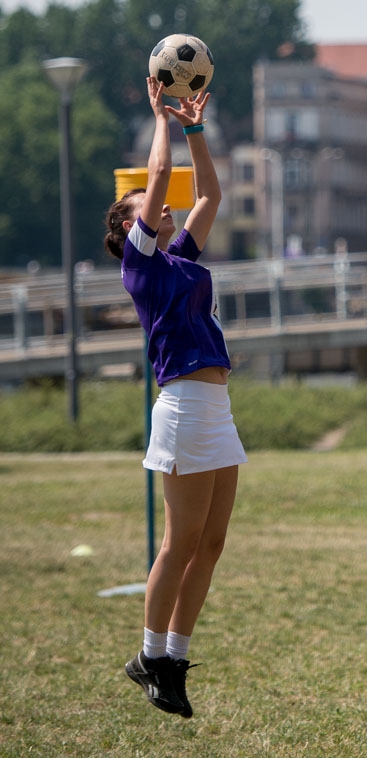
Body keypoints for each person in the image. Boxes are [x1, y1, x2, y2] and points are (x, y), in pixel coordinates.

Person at [103, 77, 247, 719]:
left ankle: (172, 659)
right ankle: (149, 652)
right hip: (185, 408)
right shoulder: (141, 265)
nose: (161, 208)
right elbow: (160, 172)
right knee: (178, 542)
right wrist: (159, 115)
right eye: (147, 206)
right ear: (130, 224)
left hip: (215, 408)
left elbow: (210, 192)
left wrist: (196, 126)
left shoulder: (181, 256)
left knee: (211, 544)